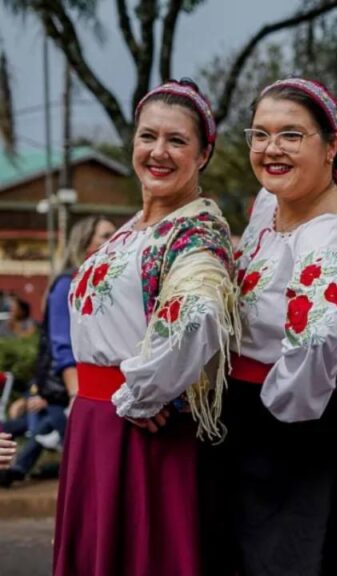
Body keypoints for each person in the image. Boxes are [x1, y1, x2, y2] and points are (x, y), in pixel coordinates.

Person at [53, 79, 238, 576]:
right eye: (147, 136)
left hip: (138, 433)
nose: (158, 152)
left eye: (177, 140)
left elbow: (198, 317)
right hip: (95, 424)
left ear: (203, 154)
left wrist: (141, 393)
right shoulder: (134, 228)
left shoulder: (196, 234)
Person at [212, 77, 337, 575]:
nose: (272, 148)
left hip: (300, 424)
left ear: (331, 145)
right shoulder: (268, 205)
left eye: (291, 135)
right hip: (244, 415)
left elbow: (317, 345)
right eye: (260, 134)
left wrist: (258, 419)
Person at [0, 216, 115, 488]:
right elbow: (61, 344)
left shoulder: (102, 281)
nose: (114, 239)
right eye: (105, 235)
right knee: (80, 459)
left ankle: (21, 468)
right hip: (70, 390)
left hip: (85, 390)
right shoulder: (68, 282)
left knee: (48, 436)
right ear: (85, 242)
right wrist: (75, 393)